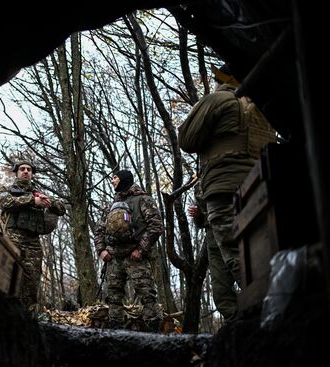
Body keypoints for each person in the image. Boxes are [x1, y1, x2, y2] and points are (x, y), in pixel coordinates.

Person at [178, 64, 276, 296]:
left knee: (237, 255)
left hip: (224, 188)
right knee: (261, 250)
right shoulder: (263, 107)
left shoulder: (219, 99)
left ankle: (268, 306)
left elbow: (186, 140)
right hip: (261, 186)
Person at [93, 169, 164, 331]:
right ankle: (116, 333)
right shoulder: (111, 205)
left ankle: (155, 334)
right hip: (114, 258)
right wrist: (101, 250)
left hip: (135, 257)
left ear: (124, 179)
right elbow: (99, 230)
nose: (112, 181)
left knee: (147, 294)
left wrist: (141, 249)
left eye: (115, 178)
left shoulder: (143, 199)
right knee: (113, 297)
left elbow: (156, 226)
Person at [0, 159, 66, 312]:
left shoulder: (39, 194)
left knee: (31, 282)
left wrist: (50, 203)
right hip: (12, 240)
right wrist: (31, 201)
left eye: (29, 169)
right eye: (22, 169)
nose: (26, 171)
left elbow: (61, 209)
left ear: (32, 174)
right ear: (16, 172)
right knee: (8, 277)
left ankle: (26, 317)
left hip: (33, 243)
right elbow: (5, 203)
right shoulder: (6, 190)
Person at [188, 187, 237, 322]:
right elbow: (204, 215)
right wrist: (198, 216)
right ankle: (236, 326)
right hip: (213, 237)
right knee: (220, 290)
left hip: (238, 224)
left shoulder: (230, 171)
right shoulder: (201, 178)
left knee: (248, 276)